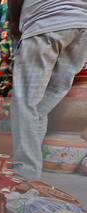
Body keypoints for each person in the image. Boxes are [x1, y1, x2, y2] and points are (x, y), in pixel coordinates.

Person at [8, 0, 87, 180]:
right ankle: (31, 170)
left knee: (25, 102)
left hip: (46, 21)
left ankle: (25, 171)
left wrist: (14, 21)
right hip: (82, 27)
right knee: (40, 105)